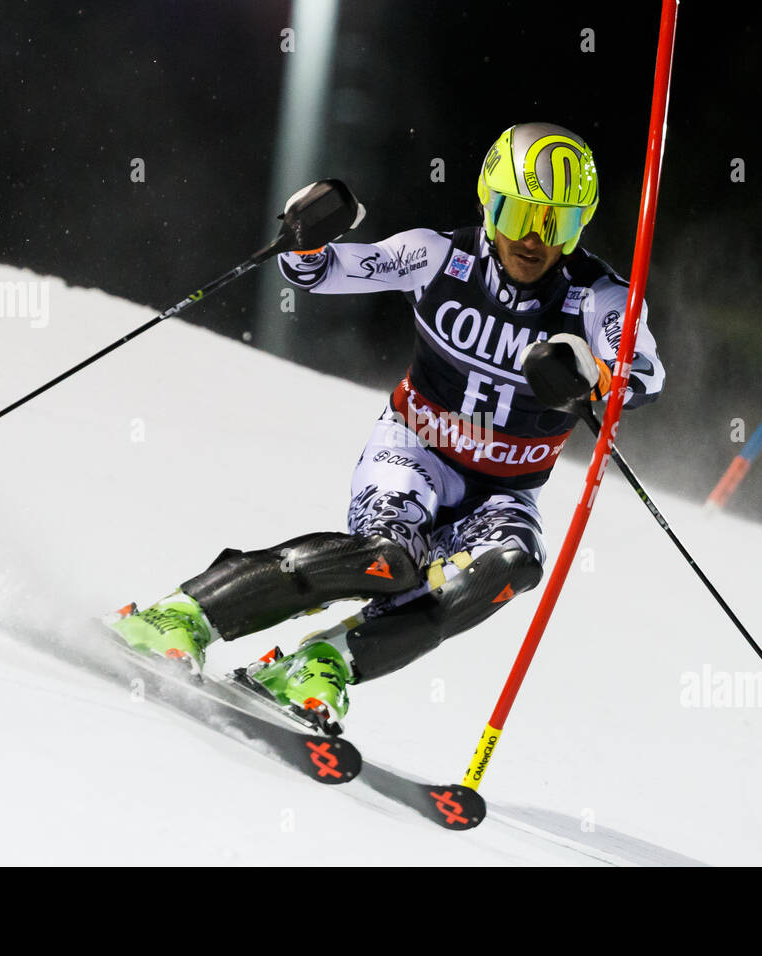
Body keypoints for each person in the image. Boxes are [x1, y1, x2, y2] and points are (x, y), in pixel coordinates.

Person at [110, 122, 665, 729]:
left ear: (578, 227)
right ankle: (182, 614)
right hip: (415, 450)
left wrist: (597, 379)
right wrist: (304, 238)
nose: (533, 238)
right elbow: (323, 271)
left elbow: (644, 374)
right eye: (517, 213)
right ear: (489, 203)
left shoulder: (598, 299)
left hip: (505, 489)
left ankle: (319, 664)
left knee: (513, 565)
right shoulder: (438, 256)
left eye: (556, 222)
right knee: (391, 559)